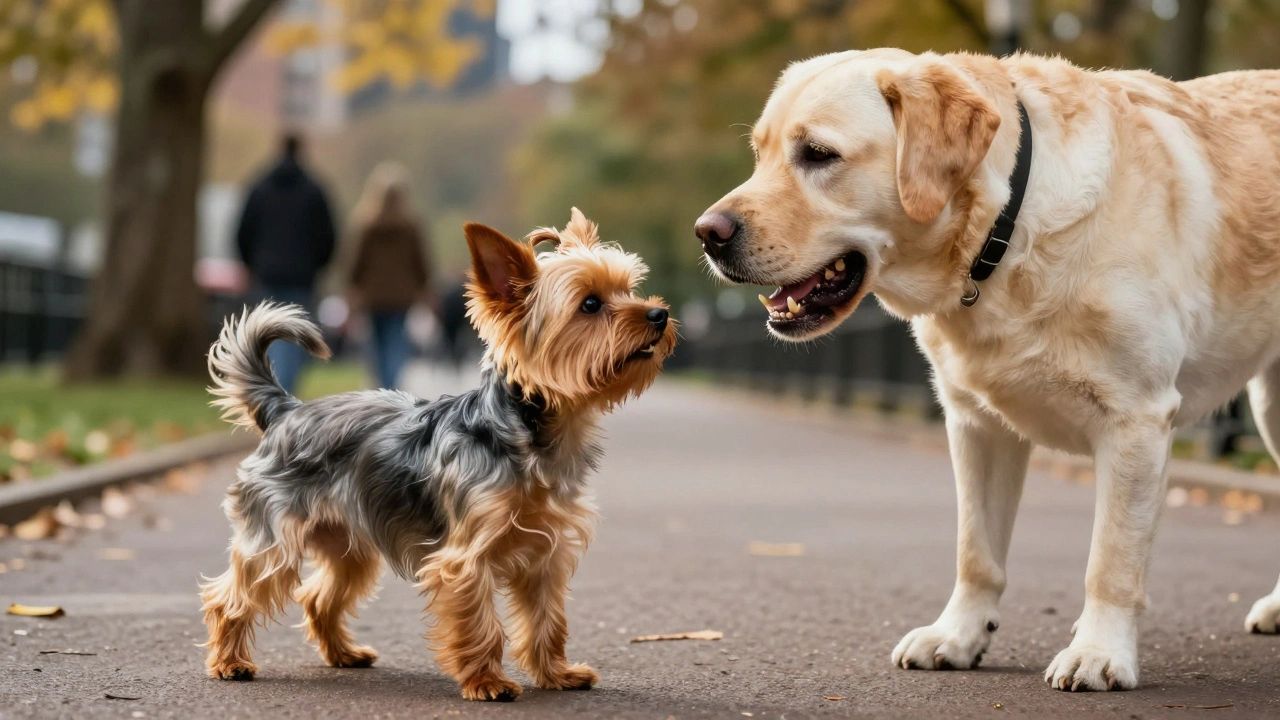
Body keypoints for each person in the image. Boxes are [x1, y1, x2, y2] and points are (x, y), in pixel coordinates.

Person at [235, 133, 336, 393]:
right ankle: (285, 390)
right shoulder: (315, 190)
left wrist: (250, 263)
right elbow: (328, 236)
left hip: (267, 273)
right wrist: (319, 265)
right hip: (302, 277)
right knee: (297, 336)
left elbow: (243, 230)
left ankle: (276, 390)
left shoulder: (259, 187)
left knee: (270, 333)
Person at [347, 162, 432, 389]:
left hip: (373, 295)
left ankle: (383, 385)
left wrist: (353, 286)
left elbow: (356, 262)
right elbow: (420, 262)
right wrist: (424, 286)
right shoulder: (411, 227)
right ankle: (391, 385)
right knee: (396, 342)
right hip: (402, 296)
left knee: (376, 344)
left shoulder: (366, 225)